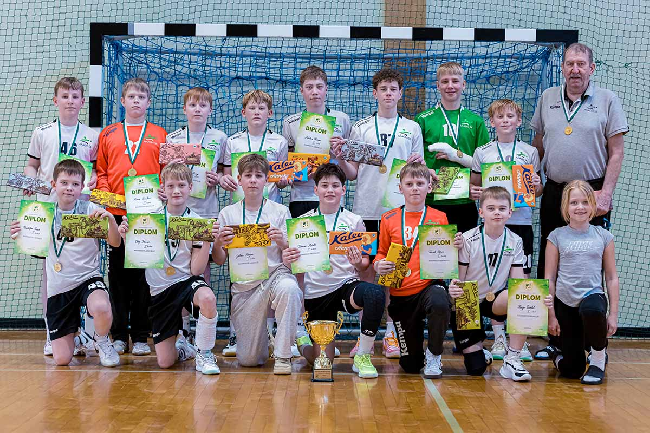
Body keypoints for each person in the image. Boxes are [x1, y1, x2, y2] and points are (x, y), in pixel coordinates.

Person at [530, 42, 628, 360]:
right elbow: (537, 146)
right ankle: (556, 336)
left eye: (581, 64)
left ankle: (592, 339)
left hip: (591, 193)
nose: (575, 69)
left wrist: (606, 193)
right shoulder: (547, 98)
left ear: (591, 68)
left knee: (588, 261)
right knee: (549, 264)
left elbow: (616, 152)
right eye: (570, 63)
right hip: (555, 191)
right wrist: (532, 181)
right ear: (563, 67)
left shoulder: (608, 100)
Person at [333, 67, 424, 359]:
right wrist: (341, 158)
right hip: (367, 210)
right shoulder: (361, 128)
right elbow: (352, 173)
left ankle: (391, 335)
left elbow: (418, 172)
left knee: (392, 276)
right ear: (375, 93)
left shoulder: (412, 128)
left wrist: (418, 163)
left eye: (393, 89)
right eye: (383, 89)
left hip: (397, 214)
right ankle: (365, 337)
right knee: (367, 274)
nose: (388, 94)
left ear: (400, 94)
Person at [10, 159, 121, 367]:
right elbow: (31, 244)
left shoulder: (91, 209)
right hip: (59, 286)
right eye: (64, 183)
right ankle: (78, 338)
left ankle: (102, 340)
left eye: (75, 184)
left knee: (101, 306)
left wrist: (111, 221)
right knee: (62, 359)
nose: (69, 188)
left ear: (82, 187)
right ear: (54, 184)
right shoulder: (41, 214)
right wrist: (19, 233)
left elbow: (115, 243)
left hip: (87, 278)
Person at [283, 163, 385, 378]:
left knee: (375, 293)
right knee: (322, 362)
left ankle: (363, 355)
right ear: (315, 189)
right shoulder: (301, 222)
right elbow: (295, 268)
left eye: (335, 185)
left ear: (343, 190)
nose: (330, 190)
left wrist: (357, 262)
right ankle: (302, 341)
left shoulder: (355, 221)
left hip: (345, 287)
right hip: (316, 293)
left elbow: (364, 265)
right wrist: (288, 259)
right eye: (324, 185)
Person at [118, 163, 221, 374]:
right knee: (165, 362)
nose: (176, 191)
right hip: (160, 291)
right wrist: (127, 236)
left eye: (181, 185)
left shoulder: (197, 222)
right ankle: (183, 349)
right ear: (162, 189)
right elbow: (140, 258)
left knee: (208, 298)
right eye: (171, 186)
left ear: (190, 187)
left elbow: (196, 270)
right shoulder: (148, 219)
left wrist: (206, 240)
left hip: (186, 282)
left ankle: (205, 353)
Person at [24, 77, 99, 356]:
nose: (70, 101)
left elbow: (95, 171)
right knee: (51, 274)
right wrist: (30, 182)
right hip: (48, 211)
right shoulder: (41, 132)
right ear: (56, 100)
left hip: (80, 212)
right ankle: (52, 333)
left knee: (83, 269)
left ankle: (84, 334)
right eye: (65, 96)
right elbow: (31, 165)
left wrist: (93, 183)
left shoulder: (92, 135)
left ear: (82, 102)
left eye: (75, 96)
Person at [213, 154, 303, 375]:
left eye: (258, 175)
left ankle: (283, 355)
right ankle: (265, 342)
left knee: (290, 288)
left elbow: (291, 257)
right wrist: (218, 243)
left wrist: (282, 242)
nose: (253, 180)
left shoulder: (280, 211)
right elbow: (219, 259)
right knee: (250, 360)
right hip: (245, 286)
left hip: (275, 276)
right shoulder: (227, 214)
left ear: (267, 180)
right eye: (248, 175)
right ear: (239, 179)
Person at [96, 77, 167, 356]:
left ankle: (139, 335)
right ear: (122, 101)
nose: (136, 101)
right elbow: (101, 172)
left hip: (148, 215)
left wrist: (162, 191)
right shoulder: (109, 133)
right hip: (116, 216)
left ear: (148, 102)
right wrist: (107, 199)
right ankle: (118, 335)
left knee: (143, 278)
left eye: (141, 97)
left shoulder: (160, 134)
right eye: (132, 97)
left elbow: (166, 172)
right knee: (117, 276)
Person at [470, 99, 542, 361]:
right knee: (494, 278)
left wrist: (536, 184)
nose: (505, 121)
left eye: (510, 116)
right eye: (499, 117)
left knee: (520, 280)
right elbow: (475, 187)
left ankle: (519, 340)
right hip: (492, 226)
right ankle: (499, 338)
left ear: (519, 121)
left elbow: (538, 189)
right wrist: (474, 192)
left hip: (521, 223)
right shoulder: (483, 152)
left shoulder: (529, 152)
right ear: (492, 122)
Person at [449, 187, 540, 382]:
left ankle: (512, 359)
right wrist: (454, 290)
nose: (497, 212)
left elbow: (518, 284)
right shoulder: (467, 239)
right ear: (481, 212)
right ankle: (478, 349)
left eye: (502, 208)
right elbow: (460, 280)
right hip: (468, 300)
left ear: (510, 212)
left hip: (495, 299)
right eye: (491, 208)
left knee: (523, 296)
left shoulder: (515, 241)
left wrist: (535, 299)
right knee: (476, 368)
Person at [374, 162, 456, 377]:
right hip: (401, 294)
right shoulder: (388, 218)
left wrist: (456, 245)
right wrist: (378, 264)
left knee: (440, 301)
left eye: (420, 183)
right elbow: (381, 253)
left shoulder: (439, 217)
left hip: (429, 286)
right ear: (400, 188)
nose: (415, 188)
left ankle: (434, 355)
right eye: (409, 184)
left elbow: (446, 254)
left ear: (430, 187)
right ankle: (417, 354)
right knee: (410, 365)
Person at [165, 88, 230, 353]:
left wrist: (219, 178)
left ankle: (203, 329)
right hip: (179, 213)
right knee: (181, 267)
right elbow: (166, 175)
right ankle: (183, 330)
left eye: (203, 105)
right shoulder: (172, 138)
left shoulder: (220, 138)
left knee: (203, 270)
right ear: (185, 109)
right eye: (192, 105)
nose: (198, 109)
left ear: (210, 110)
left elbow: (226, 174)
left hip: (206, 211)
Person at [544, 180, 619, 385]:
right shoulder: (556, 236)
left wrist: (613, 315)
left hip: (592, 296)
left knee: (592, 309)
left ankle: (598, 359)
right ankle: (558, 355)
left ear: (593, 205)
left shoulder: (604, 236)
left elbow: (611, 277)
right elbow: (549, 279)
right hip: (565, 302)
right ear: (566, 206)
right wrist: (551, 315)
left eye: (585, 202)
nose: (580, 207)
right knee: (572, 370)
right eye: (574, 202)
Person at [416, 61, 490, 233]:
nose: (450, 86)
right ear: (437, 85)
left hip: (465, 200)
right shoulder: (423, 119)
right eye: (445, 81)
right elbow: (415, 162)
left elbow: (485, 165)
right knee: (433, 250)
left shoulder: (476, 121)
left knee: (463, 250)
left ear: (463, 85)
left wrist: (456, 155)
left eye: (455, 81)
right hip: (432, 200)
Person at [282, 65, 352, 217]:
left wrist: (339, 152)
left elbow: (349, 164)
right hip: (301, 196)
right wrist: (298, 173)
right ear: (302, 91)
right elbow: (287, 163)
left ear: (326, 89)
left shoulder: (342, 119)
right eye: (309, 87)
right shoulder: (290, 122)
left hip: (333, 194)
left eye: (319, 86)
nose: (314, 92)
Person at [220, 90, 289, 204]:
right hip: (239, 206)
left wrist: (282, 182)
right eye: (252, 108)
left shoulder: (280, 142)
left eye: (261, 108)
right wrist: (224, 181)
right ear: (243, 112)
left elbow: (282, 180)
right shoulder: (232, 141)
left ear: (270, 113)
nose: (256, 112)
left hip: (270, 206)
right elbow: (227, 176)